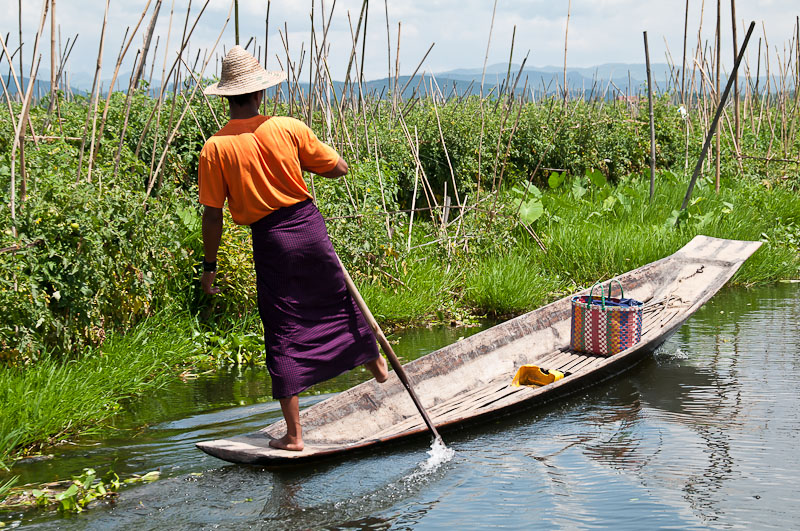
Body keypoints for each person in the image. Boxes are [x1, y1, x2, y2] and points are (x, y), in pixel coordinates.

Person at [198, 46, 388, 452]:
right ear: (260, 93)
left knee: (284, 326)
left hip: (271, 240)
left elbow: (212, 216)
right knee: (336, 296)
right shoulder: (288, 127)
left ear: (228, 97)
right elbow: (338, 168)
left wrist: (209, 266)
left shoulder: (214, 148)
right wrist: (307, 158)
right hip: (308, 227)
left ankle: (295, 436)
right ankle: (374, 362)